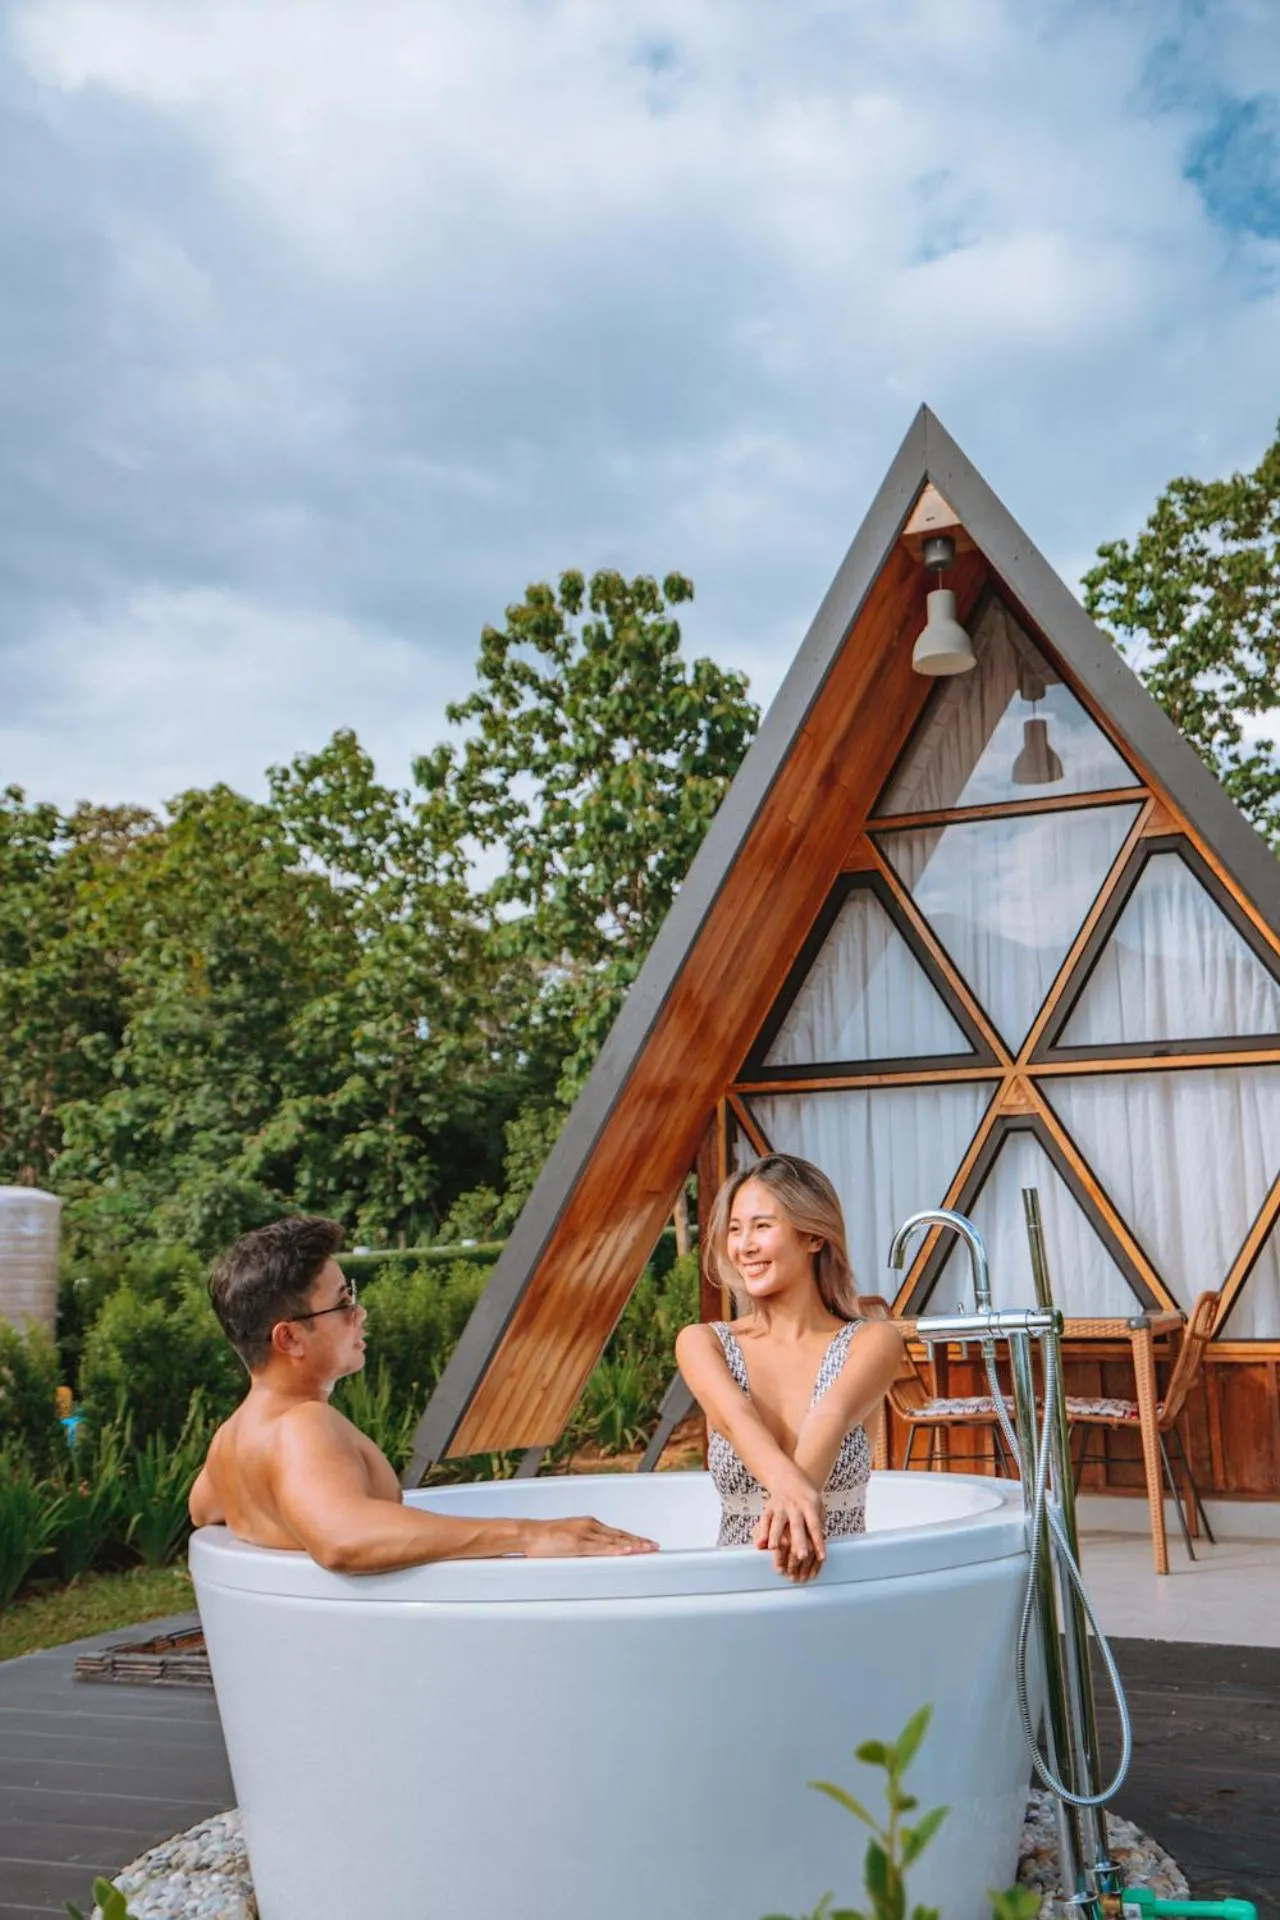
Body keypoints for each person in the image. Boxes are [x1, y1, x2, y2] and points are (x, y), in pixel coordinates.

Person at [190, 1216, 656, 1570]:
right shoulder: (303, 1427)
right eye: (343, 1302)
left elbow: (202, 1508)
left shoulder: (231, 1442)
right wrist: (529, 1534)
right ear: (289, 1339)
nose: (361, 1313)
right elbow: (344, 1537)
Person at [675, 1154, 901, 1583]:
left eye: (762, 1226)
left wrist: (790, 1497)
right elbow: (738, 1420)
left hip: (845, 1588)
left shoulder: (873, 1341)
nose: (743, 1247)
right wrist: (790, 1487)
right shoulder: (702, 1343)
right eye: (735, 1230)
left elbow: (830, 1418)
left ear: (813, 1236)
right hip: (736, 1591)